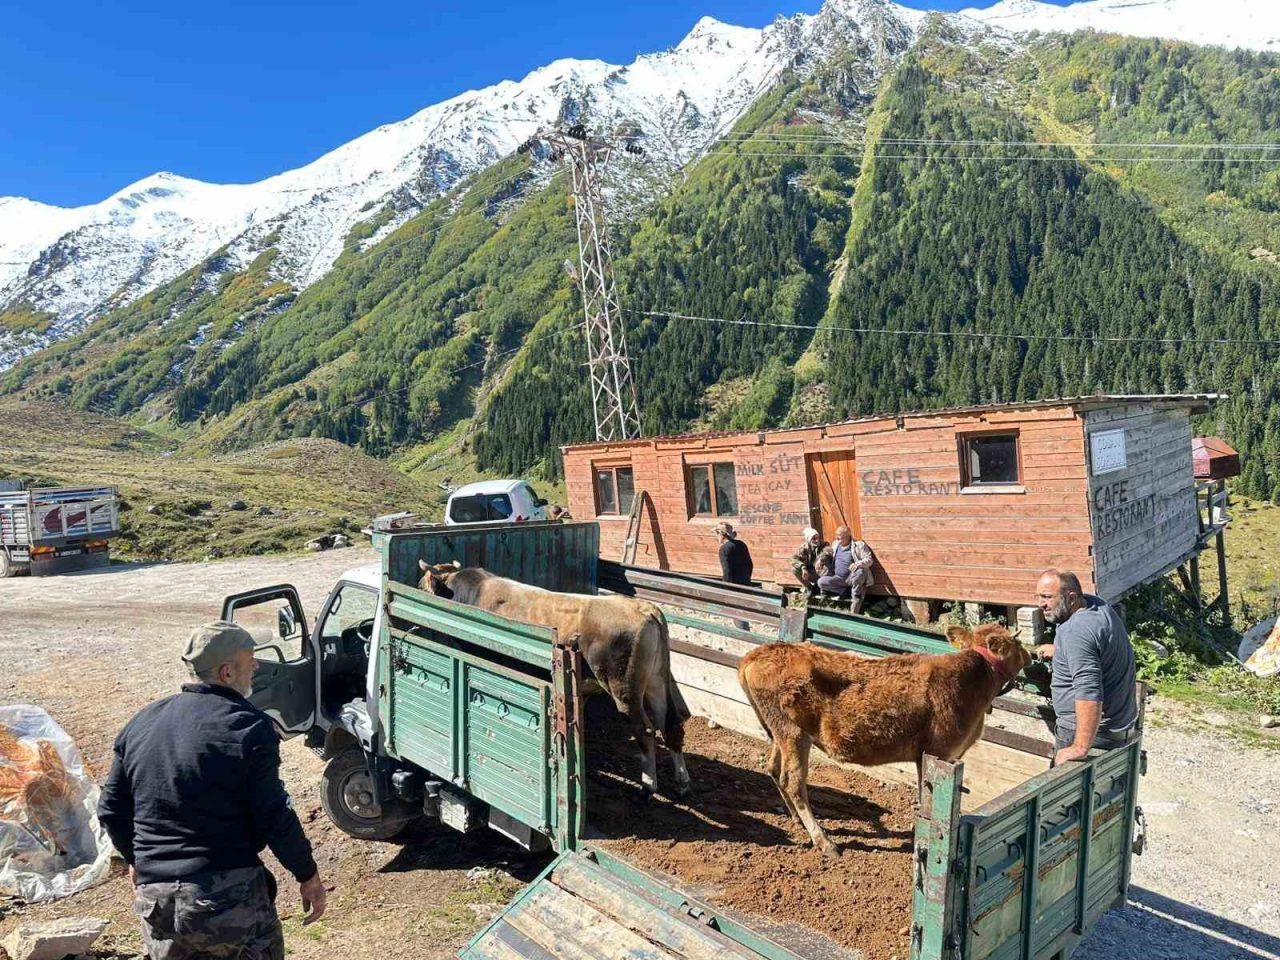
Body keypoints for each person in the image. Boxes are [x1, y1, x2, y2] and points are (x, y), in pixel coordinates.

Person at [99, 622, 327, 960]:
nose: (257, 666)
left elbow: (111, 808)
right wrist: (307, 875)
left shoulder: (142, 722)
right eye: (251, 661)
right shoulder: (248, 727)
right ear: (227, 672)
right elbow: (273, 815)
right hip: (224, 895)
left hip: (156, 899)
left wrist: (139, 860)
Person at [1033, 570, 1138, 766]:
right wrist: (1060, 650)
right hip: (1119, 724)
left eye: (1047, 597)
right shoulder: (1096, 605)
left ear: (1072, 598)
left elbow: (1089, 693)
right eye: (1038, 596)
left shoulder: (1077, 632)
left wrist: (1080, 746)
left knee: (1061, 795)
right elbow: (1095, 646)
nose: (1041, 604)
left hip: (1092, 733)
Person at [817, 525, 874, 613]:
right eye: (837, 537)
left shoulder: (859, 545)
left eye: (839, 538)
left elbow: (869, 560)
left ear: (847, 537)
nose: (837, 539)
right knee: (821, 582)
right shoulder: (836, 544)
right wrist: (821, 559)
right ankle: (843, 591)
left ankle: (856, 596)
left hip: (851, 577)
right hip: (838, 578)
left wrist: (857, 564)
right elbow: (827, 552)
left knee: (860, 571)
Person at [714, 521, 754, 630]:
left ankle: (743, 635)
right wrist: (747, 579)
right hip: (746, 583)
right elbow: (750, 565)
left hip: (734, 586)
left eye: (716, 534)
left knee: (737, 612)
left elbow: (727, 571)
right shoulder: (741, 544)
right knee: (743, 612)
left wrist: (726, 587)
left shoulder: (724, 549)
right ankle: (745, 631)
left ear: (721, 534)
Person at [790, 527, 830, 596]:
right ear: (808, 540)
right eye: (814, 539)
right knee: (794, 569)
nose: (817, 540)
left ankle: (823, 588)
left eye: (818, 537)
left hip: (823, 573)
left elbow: (828, 552)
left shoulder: (824, 544)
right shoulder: (804, 548)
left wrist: (821, 559)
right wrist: (803, 568)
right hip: (811, 573)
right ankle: (809, 587)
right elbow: (793, 560)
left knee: (826, 565)